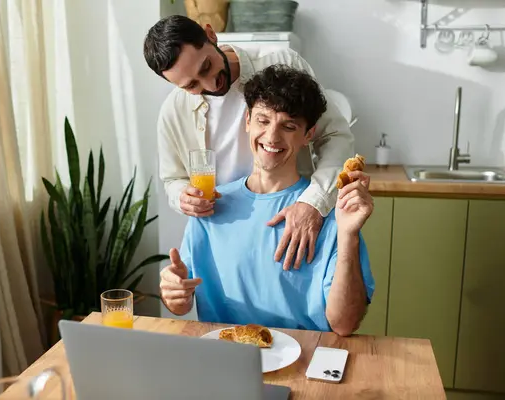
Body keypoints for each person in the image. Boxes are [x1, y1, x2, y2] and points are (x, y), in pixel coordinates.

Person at [158, 65, 374, 336]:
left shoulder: (328, 213)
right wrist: (174, 291)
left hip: (306, 361)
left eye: (289, 126)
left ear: (309, 134)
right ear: (247, 120)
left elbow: (344, 324)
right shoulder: (210, 206)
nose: (272, 137)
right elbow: (181, 304)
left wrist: (349, 235)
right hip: (228, 358)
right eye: (263, 120)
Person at [144, 15, 354, 270]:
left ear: (210, 35)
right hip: (225, 234)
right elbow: (172, 179)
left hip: (292, 220)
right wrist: (181, 196)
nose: (210, 84)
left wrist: (313, 203)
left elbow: (334, 135)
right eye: (191, 86)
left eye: (206, 67)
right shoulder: (173, 110)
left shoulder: (280, 61)